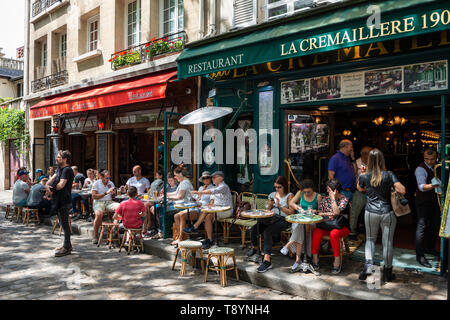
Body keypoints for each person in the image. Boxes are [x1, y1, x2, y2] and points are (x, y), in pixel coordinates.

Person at [358, 148, 406, 282]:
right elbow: (402, 189)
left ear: (369, 161)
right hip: (387, 212)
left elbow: (360, 188)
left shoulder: (365, 175)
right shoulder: (389, 174)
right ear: (382, 160)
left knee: (370, 240)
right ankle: (388, 272)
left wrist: (362, 174)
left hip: (370, 212)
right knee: (388, 243)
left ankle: (368, 267)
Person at [246, 176, 294, 273]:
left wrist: (280, 206)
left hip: (283, 219)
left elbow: (291, 212)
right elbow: (267, 210)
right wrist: (270, 205)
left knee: (267, 232)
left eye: (279, 187)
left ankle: (267, 260)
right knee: (254, 228)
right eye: (275, 187)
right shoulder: (272, 194)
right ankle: (255, 248)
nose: (277, 189)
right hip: (271, 218)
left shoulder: (289, 196)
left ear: (284, 186)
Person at [311, 179, 351, 275]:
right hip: (327, 225)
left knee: (334, 233)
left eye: (329, 190)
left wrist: (333, 199)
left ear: (335, 191)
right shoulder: (325, 199)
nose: (327, 191)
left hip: (341, 227)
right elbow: (320, 213)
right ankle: (315, 257)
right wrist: (329, 214)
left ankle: (337, 260)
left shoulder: (344, 200)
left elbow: (336, 212)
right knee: (317, 231)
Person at [186, 171, 233, 249]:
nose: (212, 179)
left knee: (206, 211)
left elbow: (212, 192)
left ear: (221, 178)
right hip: (217, 210)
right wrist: (209, 205)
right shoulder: (216, 187)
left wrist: (199, 192)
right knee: (207, 217)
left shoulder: (224, 186)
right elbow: (212, 199)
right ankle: (209, 239)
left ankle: (195, 226)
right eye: (212, 177)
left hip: (226, 210)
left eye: (214, 177)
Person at [284, 179, 322, 272]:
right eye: (305, 192)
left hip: (312, 220)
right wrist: (298, 208)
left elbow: (321, 211)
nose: (307, 193)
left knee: (303, 226)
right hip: (300, 219)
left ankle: (290, 247)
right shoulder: (300, 193)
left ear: (312, 189)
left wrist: (315, 211)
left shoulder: (318, 196)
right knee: (301, 226)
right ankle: (301, 258)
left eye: (308, 191)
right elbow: (291, 203)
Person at [414, 148, 441, 268]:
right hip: (423, 201)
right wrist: (435, 185)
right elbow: (421, 187)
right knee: (422, 227)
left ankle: (429, 248)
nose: (429, 162)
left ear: (436, 158)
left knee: (435, 225)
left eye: (432, 159)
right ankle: (419, 255)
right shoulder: (420, 168)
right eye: (427, 159)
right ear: (423, 157)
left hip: (435, 201)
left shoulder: (438, 166)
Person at [45, 150, 75, 257]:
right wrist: (46, 186)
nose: (56, 159)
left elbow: (61, 185)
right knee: (62, 223)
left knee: (65, 224)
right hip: (58, 199)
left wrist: (50, 189)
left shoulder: (67, 170)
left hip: (64, 200)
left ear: (65, 159)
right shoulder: (59, 169)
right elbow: (50, 180)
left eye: (59, 157)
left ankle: (67, 247)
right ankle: (67, 244)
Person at [171, 171, 214, 246]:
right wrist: (195, 198)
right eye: (204, 178)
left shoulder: (213, 188)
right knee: (176, 216)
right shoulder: (201, 188)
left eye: (207, 178)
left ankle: (180, 238)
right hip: (196, 207)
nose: (206, 179)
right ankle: (181, 237)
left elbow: (212, 201)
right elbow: (198, 198)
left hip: (203, 209)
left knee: (182, 215)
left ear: (210, 179)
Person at [91, 170, 120, 244]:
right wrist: (106, 193)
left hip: (109, 202)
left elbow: (113, 195)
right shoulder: (96, 183)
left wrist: (114, 193)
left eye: (109, 177)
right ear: (101, 177)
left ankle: (113, 229)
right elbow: (94, 196)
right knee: (99, 214)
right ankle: (95, 235)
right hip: (99, 202)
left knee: (120, 207)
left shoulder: (110, 183)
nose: (108, 179)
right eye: (106, 178)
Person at [350, 146, 372, 239]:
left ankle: (369, 232)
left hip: (371, 191)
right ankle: (353, 232)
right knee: (355, 212)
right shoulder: (356, 163)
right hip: (359, 191)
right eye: (369, 153)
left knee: (370, 212)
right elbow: (353, 177)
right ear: (364, 154)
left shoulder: (373, 163)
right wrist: (359, 187)